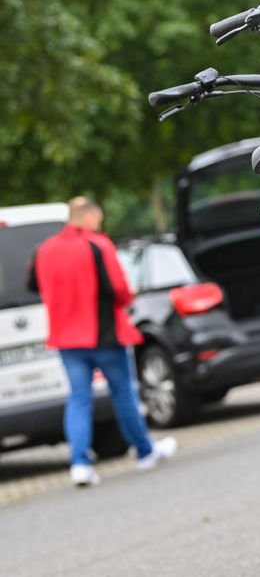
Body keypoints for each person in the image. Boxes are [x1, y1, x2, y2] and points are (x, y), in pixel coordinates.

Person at [28, 197, 176, 487]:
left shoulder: (44, 250)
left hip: (66, 338)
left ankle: (80, 464)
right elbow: (120, 289)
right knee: (124, 394)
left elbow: (33, 285)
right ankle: (145, 452)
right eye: (99, 218)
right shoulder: (97, 244)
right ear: (89, 216)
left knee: (79, 398)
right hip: (104, 334)